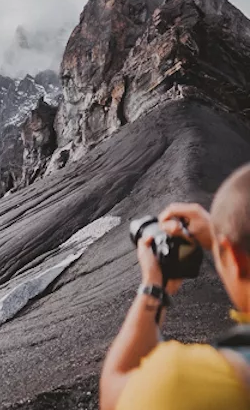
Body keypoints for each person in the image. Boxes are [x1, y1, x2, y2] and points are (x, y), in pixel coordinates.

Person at [100, 164, 250, 410]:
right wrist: (221, 237)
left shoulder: (184, 381)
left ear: (236, 258)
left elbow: (113, 392)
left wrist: (153, 285)